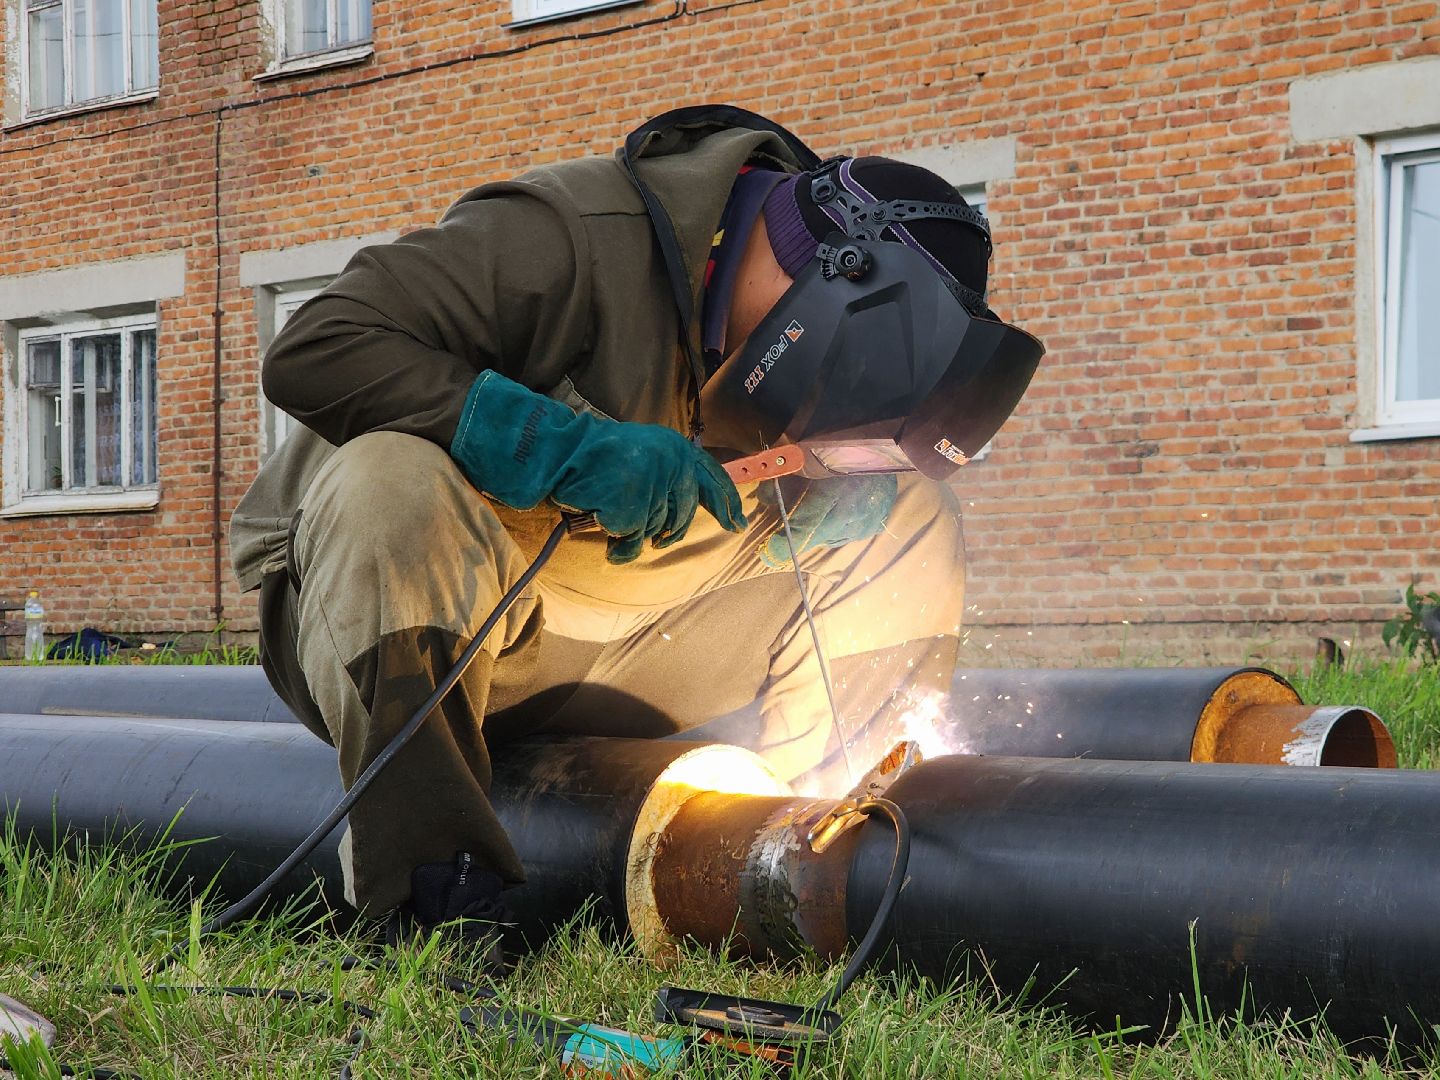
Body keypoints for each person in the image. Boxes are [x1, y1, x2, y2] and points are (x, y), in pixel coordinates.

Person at [229, 104, 1041, 957]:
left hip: (641, 640)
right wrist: (562, 446)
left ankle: (809, 858)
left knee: (909, 512)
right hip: (432, 621)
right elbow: (315, 348)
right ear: (829, 284)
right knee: (389, 479)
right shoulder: (570, 234)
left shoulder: (806, 364)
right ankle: (433, 902)